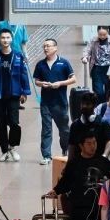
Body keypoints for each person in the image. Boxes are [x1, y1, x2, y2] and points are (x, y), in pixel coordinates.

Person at [0, 27, 32, 161]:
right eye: (3, 38)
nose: (5, 40)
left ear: (11, 39)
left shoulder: (18, 55)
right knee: (1, 123)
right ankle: (4, 150)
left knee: (14, 123)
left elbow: (23, 74)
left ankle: (12, 147)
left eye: (7, 37)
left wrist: (24, 92)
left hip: (14, 95)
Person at [34, 36, 77, 165]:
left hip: (60, 102)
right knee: (46, 129)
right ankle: (46, 155)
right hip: (46, 103)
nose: (46, 48)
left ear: (55, 48)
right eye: (44, 46)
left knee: (64, 129)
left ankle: (65, 149)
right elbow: (36, 81)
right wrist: (42, 84)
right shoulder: (40, 64)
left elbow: (73, 79)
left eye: (48, 46)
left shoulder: (63, 63)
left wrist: (60, 83)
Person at [81, 26, 110, 103]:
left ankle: (107, 107)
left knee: (109, 92)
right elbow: (87, 50)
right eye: (100, 34)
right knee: (98, 92)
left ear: (108, 32)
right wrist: (85, 57)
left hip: (109, 69)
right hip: (97, 69)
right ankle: (100, 107)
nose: (102, 36)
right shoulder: (93, 40)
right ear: (97, 32)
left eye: (104, 34)